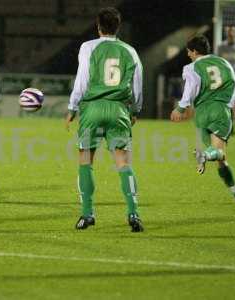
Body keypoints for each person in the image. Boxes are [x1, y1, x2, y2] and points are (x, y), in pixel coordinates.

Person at [66, 7, 144, 232]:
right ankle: (133, 213)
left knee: (86, 161)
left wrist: (72, 107)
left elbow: (82, 80)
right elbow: (137, 85)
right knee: (123, 164)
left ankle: (88, 214)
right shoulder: (130, 51)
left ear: (98, 26)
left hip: (92, 111)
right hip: (119, 110)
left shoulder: (88, 47)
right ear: (117, 27)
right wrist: (135, 110)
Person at [170, 35, 235, 205]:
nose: (188, 54)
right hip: (219, 110)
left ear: (195, 51)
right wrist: (228, 105)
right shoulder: (224, 63)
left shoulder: (191, 67)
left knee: (220, 159)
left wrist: (181, 107)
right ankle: (205, 155)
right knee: (218, 153)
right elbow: (233, 83)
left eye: (189, 51)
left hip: (201, 114)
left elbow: (190, 89)